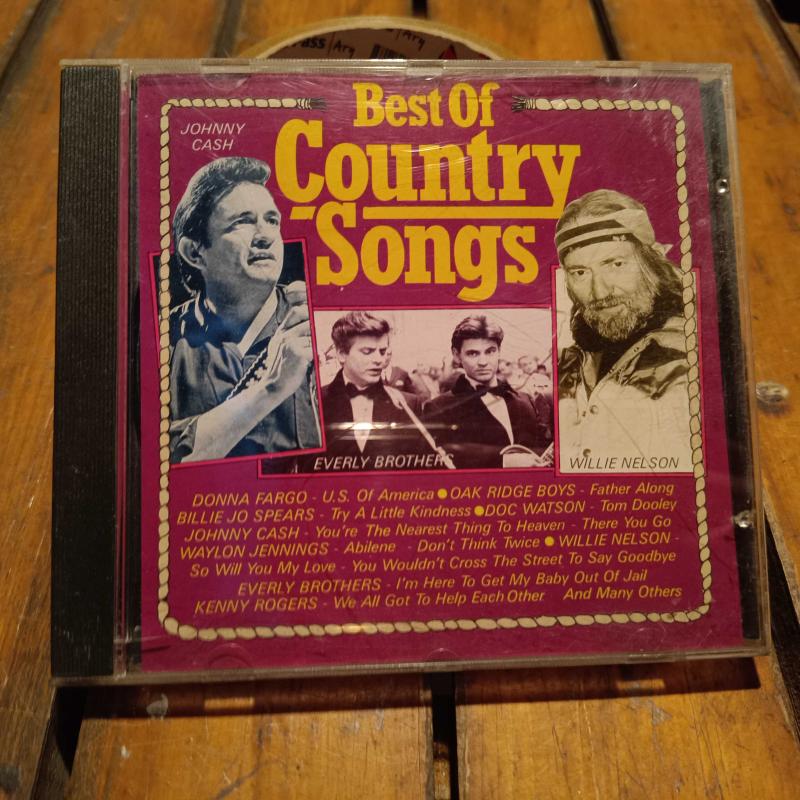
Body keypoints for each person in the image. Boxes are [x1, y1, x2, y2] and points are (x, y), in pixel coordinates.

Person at [168, 156, 320, 463]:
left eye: (272, 221)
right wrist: (270, 388)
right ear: (195, 252)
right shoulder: (163, 342)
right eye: (243, 222)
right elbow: (165, 465)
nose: (266, 236)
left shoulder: (318, 325)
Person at [555, 188, 692, 472]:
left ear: (651, 263)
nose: (600, 291)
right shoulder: (572, 362)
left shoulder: (693, 355)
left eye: (615, 264)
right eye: (580, 272)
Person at [318, 312, 446, 470]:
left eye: (383, 351)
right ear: (342, 354)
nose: (379, 360)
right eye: (367, 351)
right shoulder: (314, 404)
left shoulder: (410, 404)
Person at [424, 316, 552, 469]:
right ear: (457, 355)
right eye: (473, 354)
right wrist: (502, 461)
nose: (483, 362)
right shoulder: (439, 408)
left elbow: (541, 446)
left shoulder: (525, 400)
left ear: (499, 352)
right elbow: (441, 459)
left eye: (490, 351)